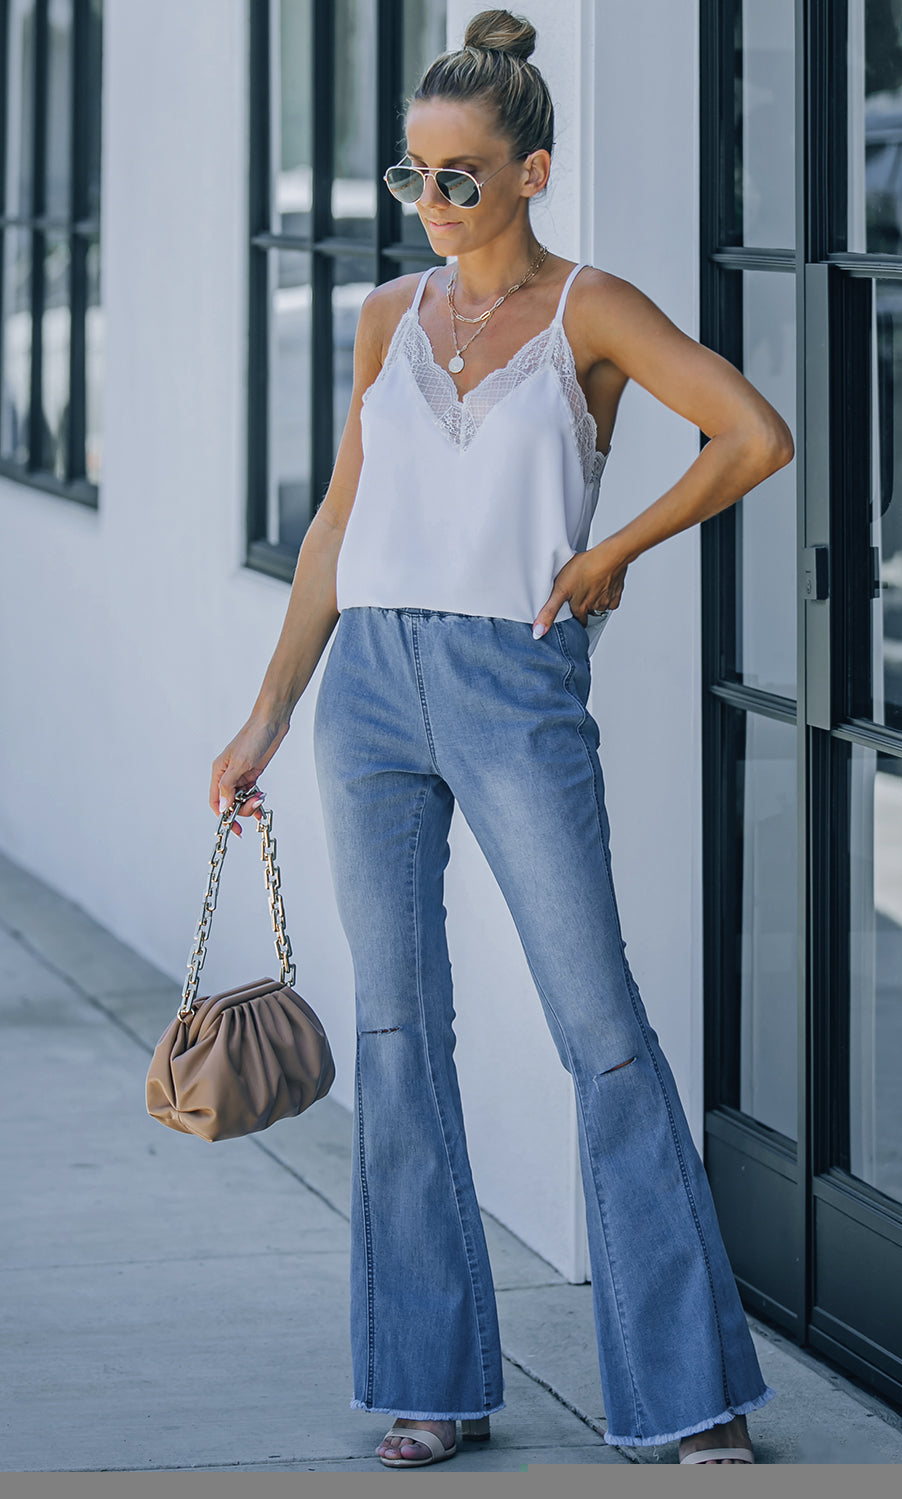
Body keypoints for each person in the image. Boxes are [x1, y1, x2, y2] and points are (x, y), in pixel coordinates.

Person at [211, 7, 793, 1470]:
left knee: (599, 1033)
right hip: (369, 691)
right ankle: (432, 1377)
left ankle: (682, 1393)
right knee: (399, 1033)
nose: (433, 204)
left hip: (508, 680)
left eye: (459, 176)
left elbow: (750, 434)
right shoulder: (389, 316)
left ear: (531, 171)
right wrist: (268, 713)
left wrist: (616, 556)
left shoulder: (593, 310)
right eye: (413, 178)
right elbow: (342, 520)